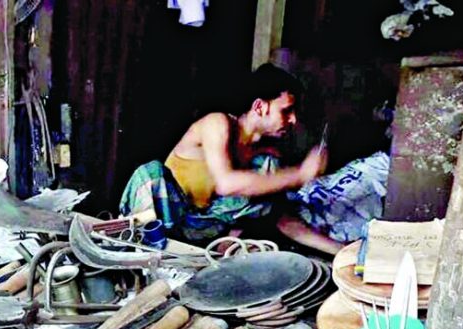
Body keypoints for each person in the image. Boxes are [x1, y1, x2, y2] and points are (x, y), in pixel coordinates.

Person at [120, 63, 328, 242]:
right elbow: (226, 183)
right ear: (259, 107)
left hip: (204, 232)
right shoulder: (217, 123)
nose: (293, 120)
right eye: (286, 110)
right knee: (151, 173)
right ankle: (138, 247)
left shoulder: (265, 157)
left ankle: (217, 250)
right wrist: (299, 175)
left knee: (268, 169)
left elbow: (281, 219)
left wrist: (342, 253)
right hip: (165, 219)